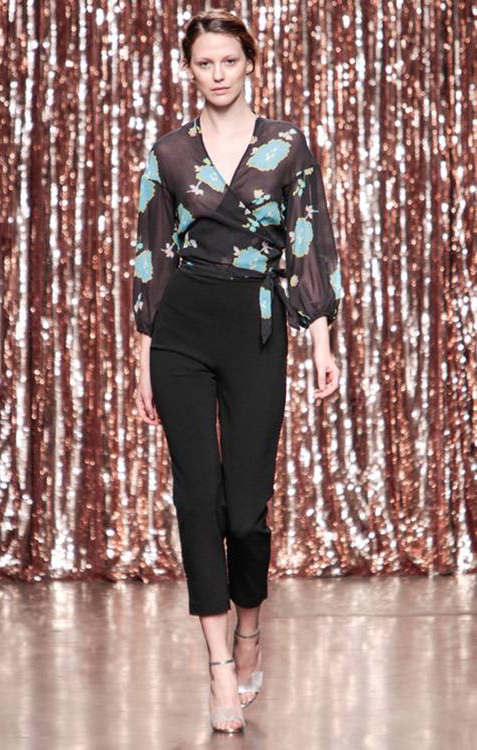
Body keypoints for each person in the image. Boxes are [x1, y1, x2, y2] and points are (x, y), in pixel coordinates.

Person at [133, 9, 343, 734]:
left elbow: (309, 239)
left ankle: (250, 628)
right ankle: (220, 665)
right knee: (198, 497)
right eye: (204, 62)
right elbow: (151, 255)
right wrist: (142, 358)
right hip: (182, 330)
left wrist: (320, 339)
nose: (217, 73)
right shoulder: (168, 152)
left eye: (228, 60)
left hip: (257, 324)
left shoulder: (287, 144)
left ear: (249, 62)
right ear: (189, 70)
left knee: (247, 510)